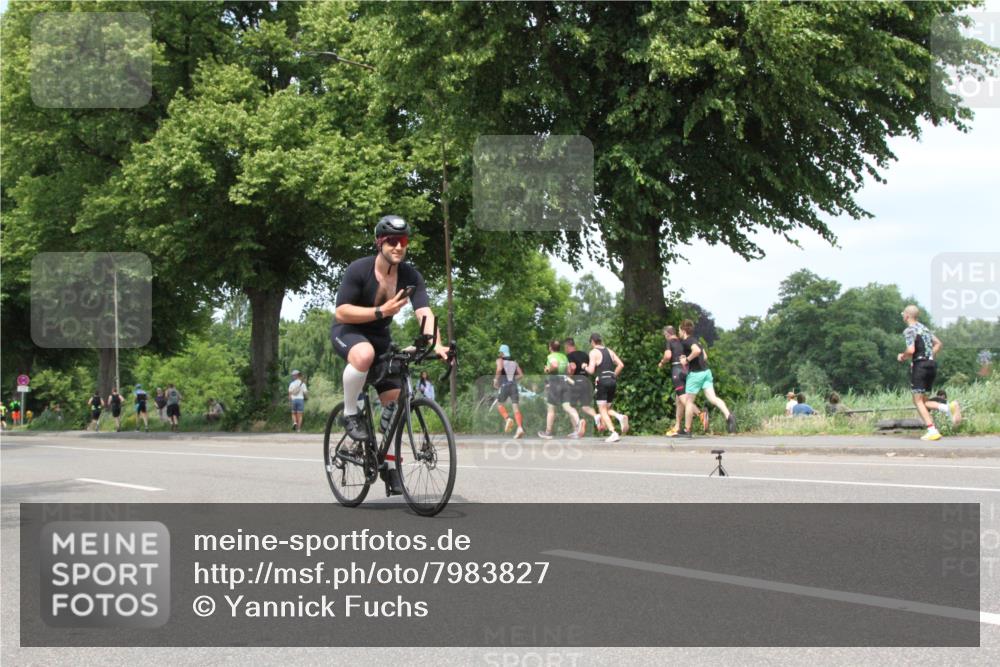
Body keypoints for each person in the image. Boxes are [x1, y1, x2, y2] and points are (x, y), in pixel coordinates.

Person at [331, 215, 450, 451]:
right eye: (392, 241)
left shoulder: (410, 276)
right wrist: (381, 311)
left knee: (397, 405)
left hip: (380, 339)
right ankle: (350, 414)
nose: (398, 247)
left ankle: (385, 462)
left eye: (403, 241)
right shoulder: (359, 269)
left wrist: (437, 343)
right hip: (348, 331)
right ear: (379, 243)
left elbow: (424, 312)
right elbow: (342, 312)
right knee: (364, 354)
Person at [897, 305, 962, 441]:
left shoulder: (909, 330)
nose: (903, 316)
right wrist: (929, 355)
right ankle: (948, 408)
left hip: (920, 366)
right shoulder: (924, 328)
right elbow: (938, 343)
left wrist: (902, 356)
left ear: (907, 316)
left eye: (903, 314)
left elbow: (911, 350)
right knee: (924, 401)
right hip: (931, 365)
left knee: (917, 401)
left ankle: (932, 430)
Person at [679, 320, 737, 436]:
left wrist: (686, 360)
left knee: (689, 402)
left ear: (684, 331)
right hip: (706, 372)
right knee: (713, 398)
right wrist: (694, 359)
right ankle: (728, 416)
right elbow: (704, 356)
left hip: (695, 374)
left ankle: (687, 430)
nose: (678, 332)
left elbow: (696, 351)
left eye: (679, 330)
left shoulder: (686, 341)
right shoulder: (697, 340)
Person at [658, 325, 705, 436]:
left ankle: (701, 414)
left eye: (664, 335)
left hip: (677, 371)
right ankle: (678, 427)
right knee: (679, 400)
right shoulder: (682, 341)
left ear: (667, 334)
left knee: (685, 400)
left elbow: (668, 356)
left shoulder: (670, 341)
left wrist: (662, 362)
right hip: (687, 369)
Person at [587, 333, 629, 443]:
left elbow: (591, 370)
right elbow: (621, 365)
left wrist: (584, 366)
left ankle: (613, 432)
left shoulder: (593, 352)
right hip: (612, 381)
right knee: (606, 409)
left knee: (602, 410)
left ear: (592, 342)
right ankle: (619, 416)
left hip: (602, 381)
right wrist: (613, 375)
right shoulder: (609, 351)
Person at [538, 339, 581, 440]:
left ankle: (548, 432)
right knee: (567, 407)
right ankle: (578, 427)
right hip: (565, 382)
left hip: (555, 383)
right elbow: (569, 371)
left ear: (550, 348)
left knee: (551, 408)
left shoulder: (551, 356)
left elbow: (554, 365)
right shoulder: (564, 357)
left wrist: (547, 369)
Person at [565, 337, 600, 436]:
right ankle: (596, 416)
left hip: (576, 381)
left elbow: (572, 367)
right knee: (585, 406)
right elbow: (593, 367)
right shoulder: (584, 354)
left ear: (567, 346)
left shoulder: (569, 356)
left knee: (570, 407)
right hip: (586, 381)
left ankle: (577, 427)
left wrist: (568, 376)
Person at [494, 344, 525, 439]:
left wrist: (496, 380)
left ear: (502, 353)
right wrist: (512, 379)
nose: (499, 354)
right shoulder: (514, 363)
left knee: (499, 404)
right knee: (516, 408)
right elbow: (521, 375)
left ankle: (507, 419)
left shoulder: (500, 360)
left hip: (504, 386)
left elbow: (499, 369)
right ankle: (520, 428)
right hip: (514, 386)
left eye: (500, 352)